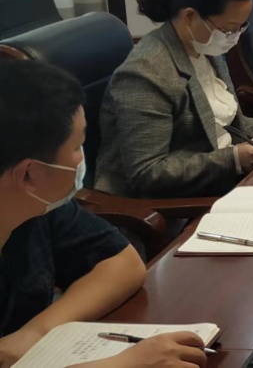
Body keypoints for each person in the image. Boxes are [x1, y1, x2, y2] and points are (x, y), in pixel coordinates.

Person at [0, 60, 211, 367]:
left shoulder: (37, 206)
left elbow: (122, 264)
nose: (81, 160)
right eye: (78, 146)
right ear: (28, 174)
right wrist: (122, 364)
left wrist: (35, 332)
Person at [96, 0, 253, 198]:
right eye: (229, 29)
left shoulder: (204, 46)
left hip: (227, 177)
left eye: (241, 27)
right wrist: (233, 160)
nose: (234, 37)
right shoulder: (146, 73)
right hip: (173, 204)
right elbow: (146, 173)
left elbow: (225, 125)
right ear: (190, 16)